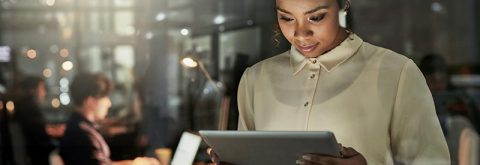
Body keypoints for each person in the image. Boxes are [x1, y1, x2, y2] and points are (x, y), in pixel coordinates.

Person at [208, 0, 450, 164]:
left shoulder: (397, 72)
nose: (300, 34)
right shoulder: (255, 78)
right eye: (286, 18)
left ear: (343, 5)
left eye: (316, 17)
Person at [59, 73, 159, 165]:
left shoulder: (81, 127)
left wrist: (135, 162)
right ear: (91, 101)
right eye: (105, 97)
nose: (109, 103)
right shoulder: (82, 135)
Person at [12, 76, 55, 165]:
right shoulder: (30, 110)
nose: (44, 93)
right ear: (32, 90)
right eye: (42, 88)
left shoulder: (22, 108)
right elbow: (41, 140)